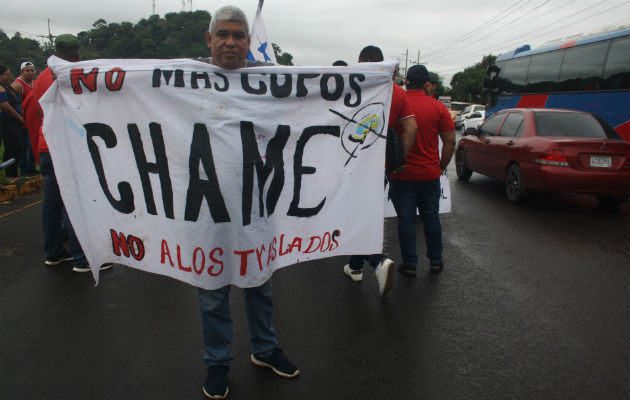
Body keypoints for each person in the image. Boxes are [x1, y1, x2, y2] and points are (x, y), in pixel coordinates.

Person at [198, 6, 299, 399]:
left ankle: (265, 348)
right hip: (205, 209)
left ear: (248, 41)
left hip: (258, 205)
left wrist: (370, 82)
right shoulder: (185, 82)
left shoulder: (269, 83)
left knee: (260, 283)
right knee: (212, 290)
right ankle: (217, 362)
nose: (231, 41)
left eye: (239, 35)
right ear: (209, 39)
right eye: (223, 33)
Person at [32, 34, 113, 274]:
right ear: (76, 54)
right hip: (66, 146)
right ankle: (82, 258)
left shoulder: (42, 76)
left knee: (52, 203)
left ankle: (54, 253)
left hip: (45, 145)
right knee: (76, 199)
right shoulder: (70, 75)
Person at [342, 45, 417, 296]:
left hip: (347, 164)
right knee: (365, 215)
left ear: (361, 62)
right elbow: (412, 128)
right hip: (378, 168)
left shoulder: (348, 86)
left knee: (350, 217)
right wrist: (397, 159)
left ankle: (377, 260)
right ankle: (354, 267)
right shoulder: (396, 92)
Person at [389, 64, 455, 276]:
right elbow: (450, 141)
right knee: (431, 217)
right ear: (427, 83)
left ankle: (410, 264)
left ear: (406, 81)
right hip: (429, 174)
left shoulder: (398, 102)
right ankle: (436, 260)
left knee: (406, 219)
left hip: (402, 173)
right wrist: (441, 166)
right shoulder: (438, 108)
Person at [11, 61, 39, 176]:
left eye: (32, 70)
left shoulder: (34, 83)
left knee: (32, 144)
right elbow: (12, 102)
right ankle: (24, 168)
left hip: (32, 118)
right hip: (21, 118)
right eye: (27, 70)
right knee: (24, 145)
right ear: (22, 72)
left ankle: (31, 166)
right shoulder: (17, 85)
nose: (30, 72)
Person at [0, 65, 25, 185]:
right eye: (7, 74)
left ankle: (13, 173)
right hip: (7, 121)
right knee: (15, 146)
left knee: (14, 147)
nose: (9, 76)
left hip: (14, 121)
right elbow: (5, 106)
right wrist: (19, 117)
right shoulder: (1, 88)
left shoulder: (8, 87)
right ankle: (11, 175)